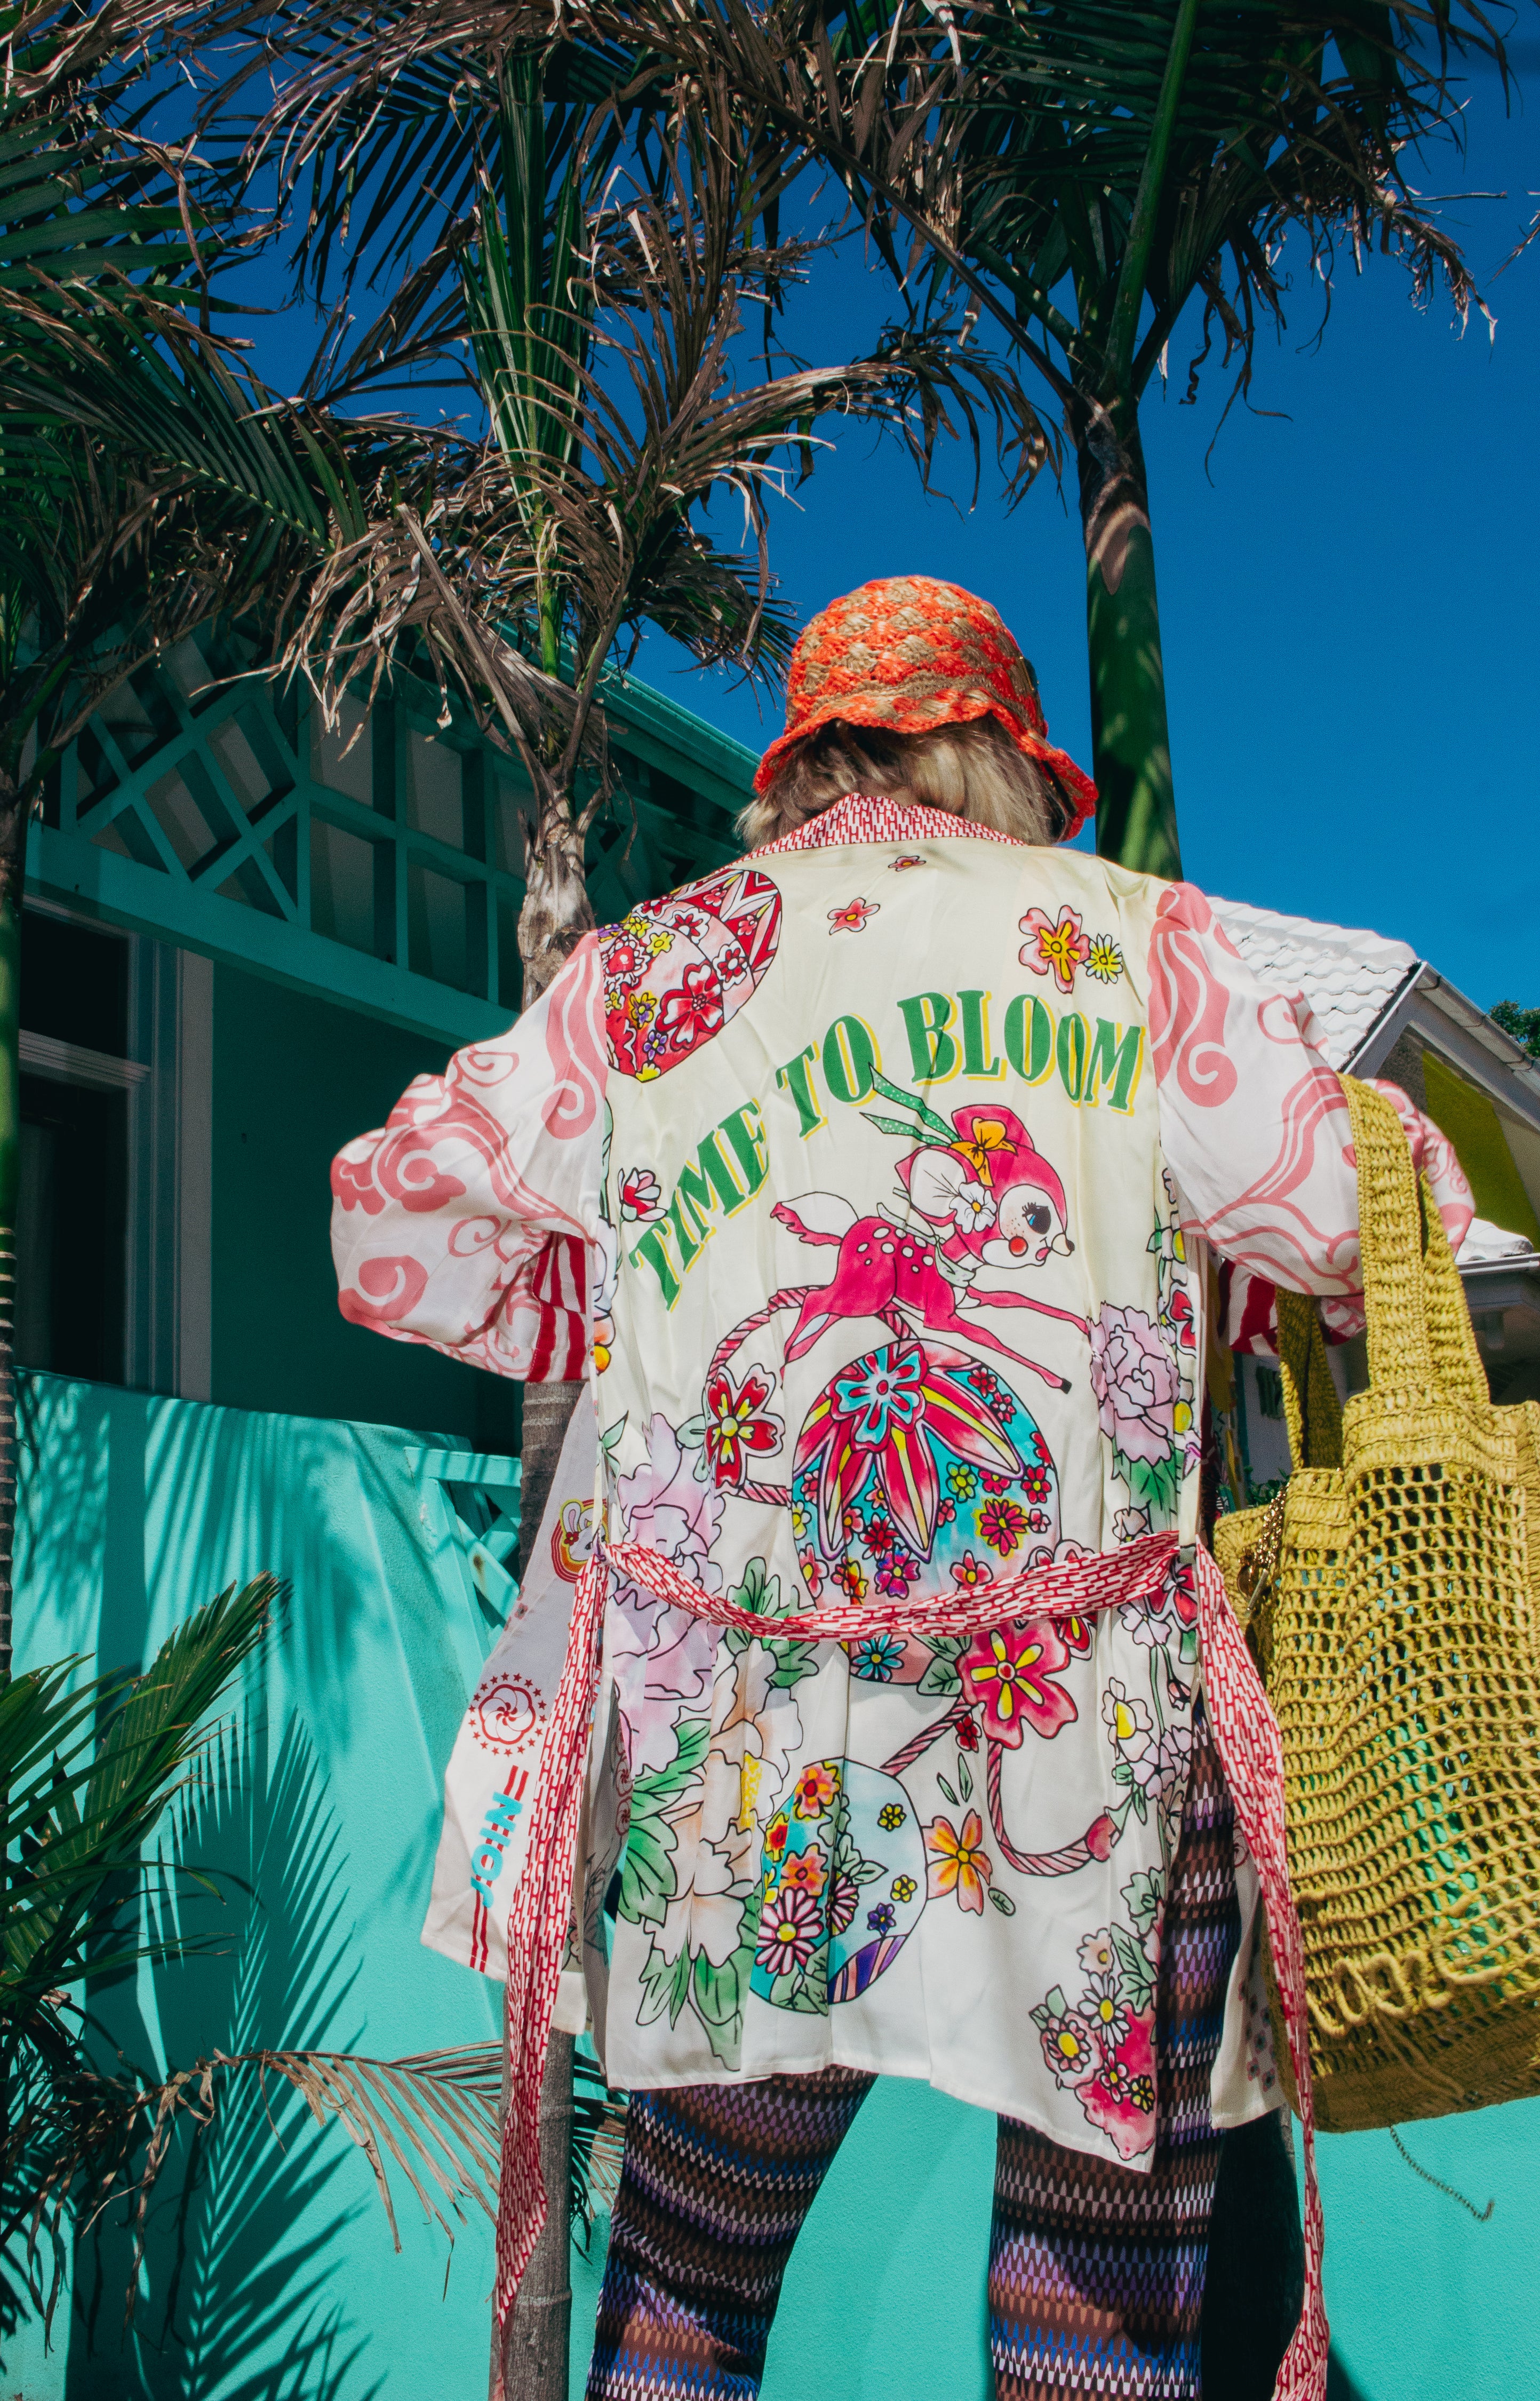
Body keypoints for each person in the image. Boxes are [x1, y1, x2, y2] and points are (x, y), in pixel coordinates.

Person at [331, 577, 1472, 2401]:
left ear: (809, 762)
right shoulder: (1135, 940)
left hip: (740, 1740)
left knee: (691, 2284)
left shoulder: (639, 978)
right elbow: (1363, 1215)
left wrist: (612, 1298)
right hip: (1083, 1731)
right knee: (1095, 2305)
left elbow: (392, 1221)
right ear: (1000, 757)